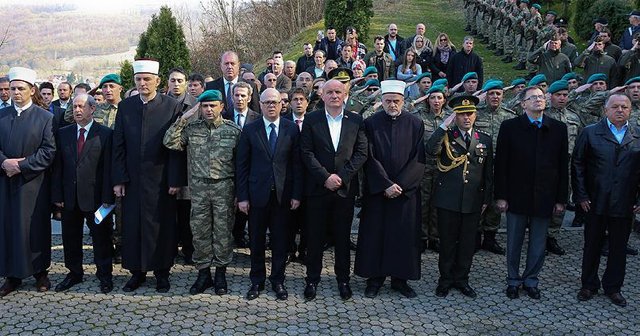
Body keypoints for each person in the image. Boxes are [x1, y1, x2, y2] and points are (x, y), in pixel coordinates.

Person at [112, 59, 186, 293]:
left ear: (157, 81)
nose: (142, 83)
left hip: (162, 179)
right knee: (133, 226)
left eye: (147, 79)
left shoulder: (171, 106)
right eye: (138, 80)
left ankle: (162, 272)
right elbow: (119, 145)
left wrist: (175, 180)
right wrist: (119, 178)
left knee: (161, 226)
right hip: (133, 179)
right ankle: (137, 272)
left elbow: (177, 146)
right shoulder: (126, 107)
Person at [163, 90, 241, 295]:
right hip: (198, 189)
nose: (208, 110)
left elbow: (241, 164)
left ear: (221, 107)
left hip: (224, 188)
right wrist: (184, 118)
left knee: (223, 232)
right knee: (200, 232)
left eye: (212, 105)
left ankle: (221, 274)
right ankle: (204, 274)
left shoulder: (233, 131)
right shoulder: (192, 129)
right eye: (204, 106)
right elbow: (169, 142)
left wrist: (238, 194)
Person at [494, 86, 569, 300]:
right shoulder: (509, 127)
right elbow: (501, 164)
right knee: (514, 241)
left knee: (538, 243)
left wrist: (561, 199)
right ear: (523, 103)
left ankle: (531, 280)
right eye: (532, 97)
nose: (538, 100)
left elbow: (563, 166)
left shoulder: (558, 128)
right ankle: (513, 280)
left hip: (545, 196)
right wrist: (501, 195)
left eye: (541, 96)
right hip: (516, 195)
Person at [355, 80, 425, 298]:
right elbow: (369, 157)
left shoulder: (415, 123)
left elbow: (419, 159)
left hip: (405, 194)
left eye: (396, 101)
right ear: (381, 101)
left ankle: (400, 280)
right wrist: (385, 184)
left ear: (403, 101)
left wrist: (401, 185)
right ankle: (375, 279)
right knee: (376, 235)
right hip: (379, 191)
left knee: (402, 237)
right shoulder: (371, 123)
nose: (392, 104)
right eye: (388, 101)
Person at [300, 79, 368, 301]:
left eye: (338, 91)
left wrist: (342, 176)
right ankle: (312, 279)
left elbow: (361, 152)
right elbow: (306, 152)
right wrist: (325, 177)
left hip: (345, 189)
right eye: (329, 92)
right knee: (315, 237)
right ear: (322, 95)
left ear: (345, 93)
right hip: (318, 188)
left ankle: (343, 280)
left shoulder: (356, 120)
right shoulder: (311, 119)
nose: (334, 96)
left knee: (342, 237)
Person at [572, 93, 640, 307]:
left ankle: (613, 287)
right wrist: (581, 195)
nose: (620, 110)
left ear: (630, 110)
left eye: (625, 107)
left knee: (618, 248)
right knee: (592, 244)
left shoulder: (638, 134)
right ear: (605, 110)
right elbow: (578, 165)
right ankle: (589, 284)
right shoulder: (591, 132)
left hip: (625, 202)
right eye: (615, 107)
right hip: (595, 200)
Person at [236, 88, 302, 301]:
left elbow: (297, 165)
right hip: (257, 196)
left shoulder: (291, 130)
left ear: (282, 105)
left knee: (280, 241)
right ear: (260, 104)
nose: (271, 105)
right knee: (256, 241)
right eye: (267, 102)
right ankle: (257, 280)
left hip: (283, 196)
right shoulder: (250, 130)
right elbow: (242, 166)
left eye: (275, 102)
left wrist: (296, 194)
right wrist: (243, 196)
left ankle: (278, 280)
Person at [427, 95, 493, 298]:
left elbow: (488, 173)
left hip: (472, 200)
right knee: (447, 242)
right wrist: (443, 127)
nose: (466, 118)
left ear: (475, 115)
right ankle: (445, 280)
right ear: (455, 116)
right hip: (448, 199)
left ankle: (462, 279)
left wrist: (486, 200)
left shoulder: (484, 139)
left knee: (467, 244)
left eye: (470, 114)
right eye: (462, 114)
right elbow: (430, 150)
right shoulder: (447, 136)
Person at [0, 67, 56, 296]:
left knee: (35, 229)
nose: (15, 93)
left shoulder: (46, 118)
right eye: (12, 88)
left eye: (20, 89)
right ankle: (11, 276)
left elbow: (49, 151)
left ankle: (40, 273)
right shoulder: (1, 116)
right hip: (5, 183)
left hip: (34, 185)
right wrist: (4, 163)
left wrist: (20, 166)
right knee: (7, 228)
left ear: (32, 90)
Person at [51, 94, 114, 294]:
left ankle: (104, 274)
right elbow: (58, 167)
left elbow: (108, 170)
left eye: (81, 106)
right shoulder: (63, 133)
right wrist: (57, 195)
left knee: (101, 238)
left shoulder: (105, 134)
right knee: (70, 237)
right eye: (74, 106)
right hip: (70, 197)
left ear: (92, 109)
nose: (77, 110)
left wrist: (107, 198)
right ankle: (74, 273)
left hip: (95, 198)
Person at [474, 80, 517, 255]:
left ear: (502, 95)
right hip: (479, 164)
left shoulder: (510, 116)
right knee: (477, 198)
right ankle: (475, 238)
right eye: (491, 93)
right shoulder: (476, 114)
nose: (495, 97)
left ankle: (490, 238)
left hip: (500, 164)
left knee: (495, 199)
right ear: (485, 95)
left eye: (498, 93)